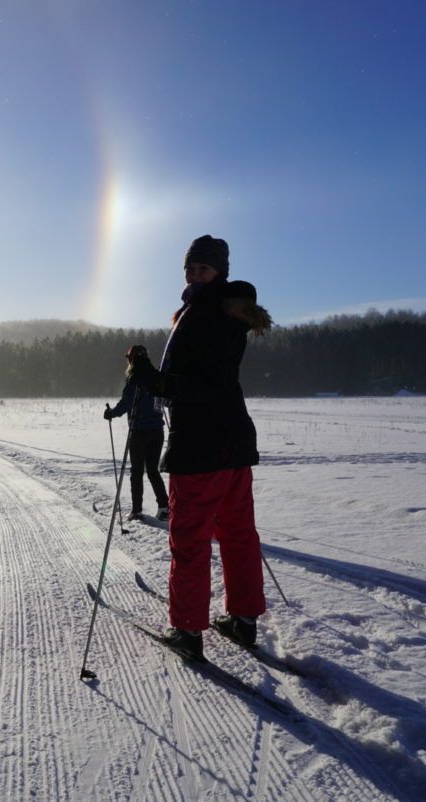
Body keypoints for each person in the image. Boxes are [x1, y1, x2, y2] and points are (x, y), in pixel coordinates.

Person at [137, 235, 273, 661]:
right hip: (233, 441)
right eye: (190, 268)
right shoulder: (225, 313)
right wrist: (156, 377)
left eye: (203, 268)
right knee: (237, 533)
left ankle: (187, 630)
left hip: (200, 444)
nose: (195, 274)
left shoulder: (205, 314)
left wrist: (153, 379)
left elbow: (202, 385)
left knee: (190, 539)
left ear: (220, 272)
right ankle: (243, 620)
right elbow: (213, 379)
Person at [103, 345, 169, 521]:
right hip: (157, 431)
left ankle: (137, 511)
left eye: (128, 359)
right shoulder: (155, 375)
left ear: (132, 359)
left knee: (137, 471)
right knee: (153, 470)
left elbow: (126, 403)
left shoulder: (135, 377)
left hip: (139, 432)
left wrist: (111, 413)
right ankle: (164, 508)